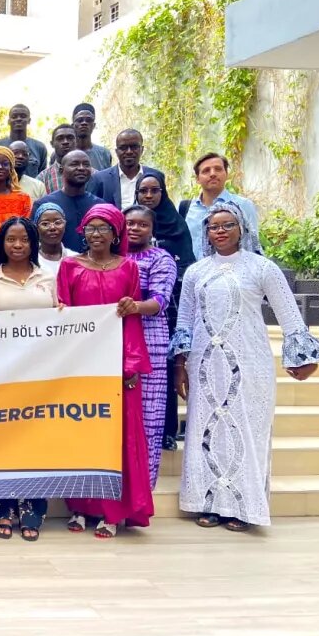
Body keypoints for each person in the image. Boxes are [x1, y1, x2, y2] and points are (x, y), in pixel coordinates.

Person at [178, 204, 319, 531]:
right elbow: (185, 321)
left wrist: (304, 358)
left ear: (242, 228)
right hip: (204, 364)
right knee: (207, 429)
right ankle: (210, 502)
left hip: (249, 363)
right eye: (214, 227)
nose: (220, 231)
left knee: (245, 430)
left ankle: (242, 507)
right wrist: (180, 365)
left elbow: (289, 313)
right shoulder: (195, 272)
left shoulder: (262, 268)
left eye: (227, 225)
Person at [58, 204, 153, 539]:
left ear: (116, 234)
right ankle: (81, 508)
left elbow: (132, 319)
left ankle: (111, 513)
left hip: (117, 368)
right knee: (82, 435)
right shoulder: (68, 267)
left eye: (104, 228)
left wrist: (129, 366)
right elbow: (64, 317)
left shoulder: (128, 268)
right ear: (82, 231)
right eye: (91, 228)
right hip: (81, 367)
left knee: (117, 439)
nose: (97, 234)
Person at [0, 216, 57, 542]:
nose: (18, 245)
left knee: (34, 443)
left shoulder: (47, 278)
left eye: (24, 240)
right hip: (0, 375)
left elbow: (62, 317)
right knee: (0, 443)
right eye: (11, 240)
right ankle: (2, 510)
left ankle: (31, 512)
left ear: (33, 243)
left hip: (40, 374)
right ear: (2, 244)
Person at [135, 169, 196, 450]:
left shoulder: (176, 225)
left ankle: (167, 430)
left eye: (154, 190)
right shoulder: (128, 237)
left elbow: (188, 265)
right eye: (142, 191)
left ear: (163, 192)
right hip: (136, 315)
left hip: (169, 308)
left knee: (167, 368)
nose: (148, 195)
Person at [124, 204, 177, 489]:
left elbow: (159, 302)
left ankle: (142, 490)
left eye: (141, 224)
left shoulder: (162, 259)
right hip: (115, 339)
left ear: (152, 229)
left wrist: (133, 306)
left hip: (150, 343)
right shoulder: (113, 255)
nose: (134, 228)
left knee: (148, 418)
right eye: (129, 223)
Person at [181, 152, 262, 259]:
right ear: (197, 179)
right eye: (206, 171)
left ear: (226, 174)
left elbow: (252, 243)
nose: (212, 174)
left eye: (218, 169)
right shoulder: (185, 208)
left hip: (233, 271)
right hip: (193, 273)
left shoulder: (243, 205)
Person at [32, 150, 102, 253]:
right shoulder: (43, 205)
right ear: (61, 170)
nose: (81, 168)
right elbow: (33, 240)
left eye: (86, 165)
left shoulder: (100, 205)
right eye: (74, 164)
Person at [88, 129, 160, 210]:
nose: (129, 152)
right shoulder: (100, 179)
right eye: (123, 148)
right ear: (116, 151)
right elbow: (92, 211)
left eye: (134, 147)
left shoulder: (156, 176)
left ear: (142, 149)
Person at [0, 146, 32, 233]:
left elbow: (27, 230)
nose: (0, 167)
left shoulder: (23, 199)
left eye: (5, 164)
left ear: (11, 168)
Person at [0, 103, 47, 178]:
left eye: (23, 116)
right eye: (14, 116)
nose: (19, 119)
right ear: (9, 121)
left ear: (29, 120)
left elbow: (42, 176)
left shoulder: (39, 147)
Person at [33, 202, 76, 275]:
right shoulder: (30, 260)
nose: (52, 228)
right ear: (36, 227)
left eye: (58, 222)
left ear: (65, 225)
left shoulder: (75, 259)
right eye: (45, 224)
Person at [37, 124, 78, 194]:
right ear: (52, 144)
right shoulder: (42, 178)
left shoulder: (92, 174)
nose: (65, 142)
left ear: (77, 141)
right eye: (60, 138)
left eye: (70, 138)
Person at [71, 103, 113, 171]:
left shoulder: (104, 154)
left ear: (94, 125)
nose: (84, 123)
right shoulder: (63, 152)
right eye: (80, 120)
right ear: (73, 125)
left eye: (88, 120)